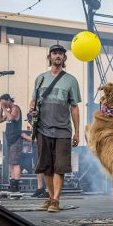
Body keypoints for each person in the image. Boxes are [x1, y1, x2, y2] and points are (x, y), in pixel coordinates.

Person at [30, 44, 81, 212]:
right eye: (55, 53)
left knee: (60, 166)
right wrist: (32, 109)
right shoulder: (40, 79)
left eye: (60, 54)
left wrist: (77, 132)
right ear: (50, 56)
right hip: (43, 128)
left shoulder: (71, 80)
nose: (57, 56)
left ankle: (56, 200)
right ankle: (51, 198)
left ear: (64, 58)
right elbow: (33, 100)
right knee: (46, 166)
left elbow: (74, 107)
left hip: (63, 130)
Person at [0, 93, 23, 192]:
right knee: (11, 163)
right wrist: (1, 108)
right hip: (9, 139)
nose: (4, 106)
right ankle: (12, 183)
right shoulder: (8, 111)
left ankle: (16, 185)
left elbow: (11, 118)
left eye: (4, 103)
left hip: (16, 138)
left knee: (15, 162)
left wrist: (4, 108)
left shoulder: (15, 108)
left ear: (8, 100)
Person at [21, 115, 49, 198]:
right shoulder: (34, 126)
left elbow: (40, 137)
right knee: (38, 167)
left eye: (30, 120)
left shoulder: (42, 123)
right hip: (36, 146)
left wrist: (26, 137)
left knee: (45, 167)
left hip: (43, 145)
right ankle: (40, 188)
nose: (29, 122)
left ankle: (48, 190)